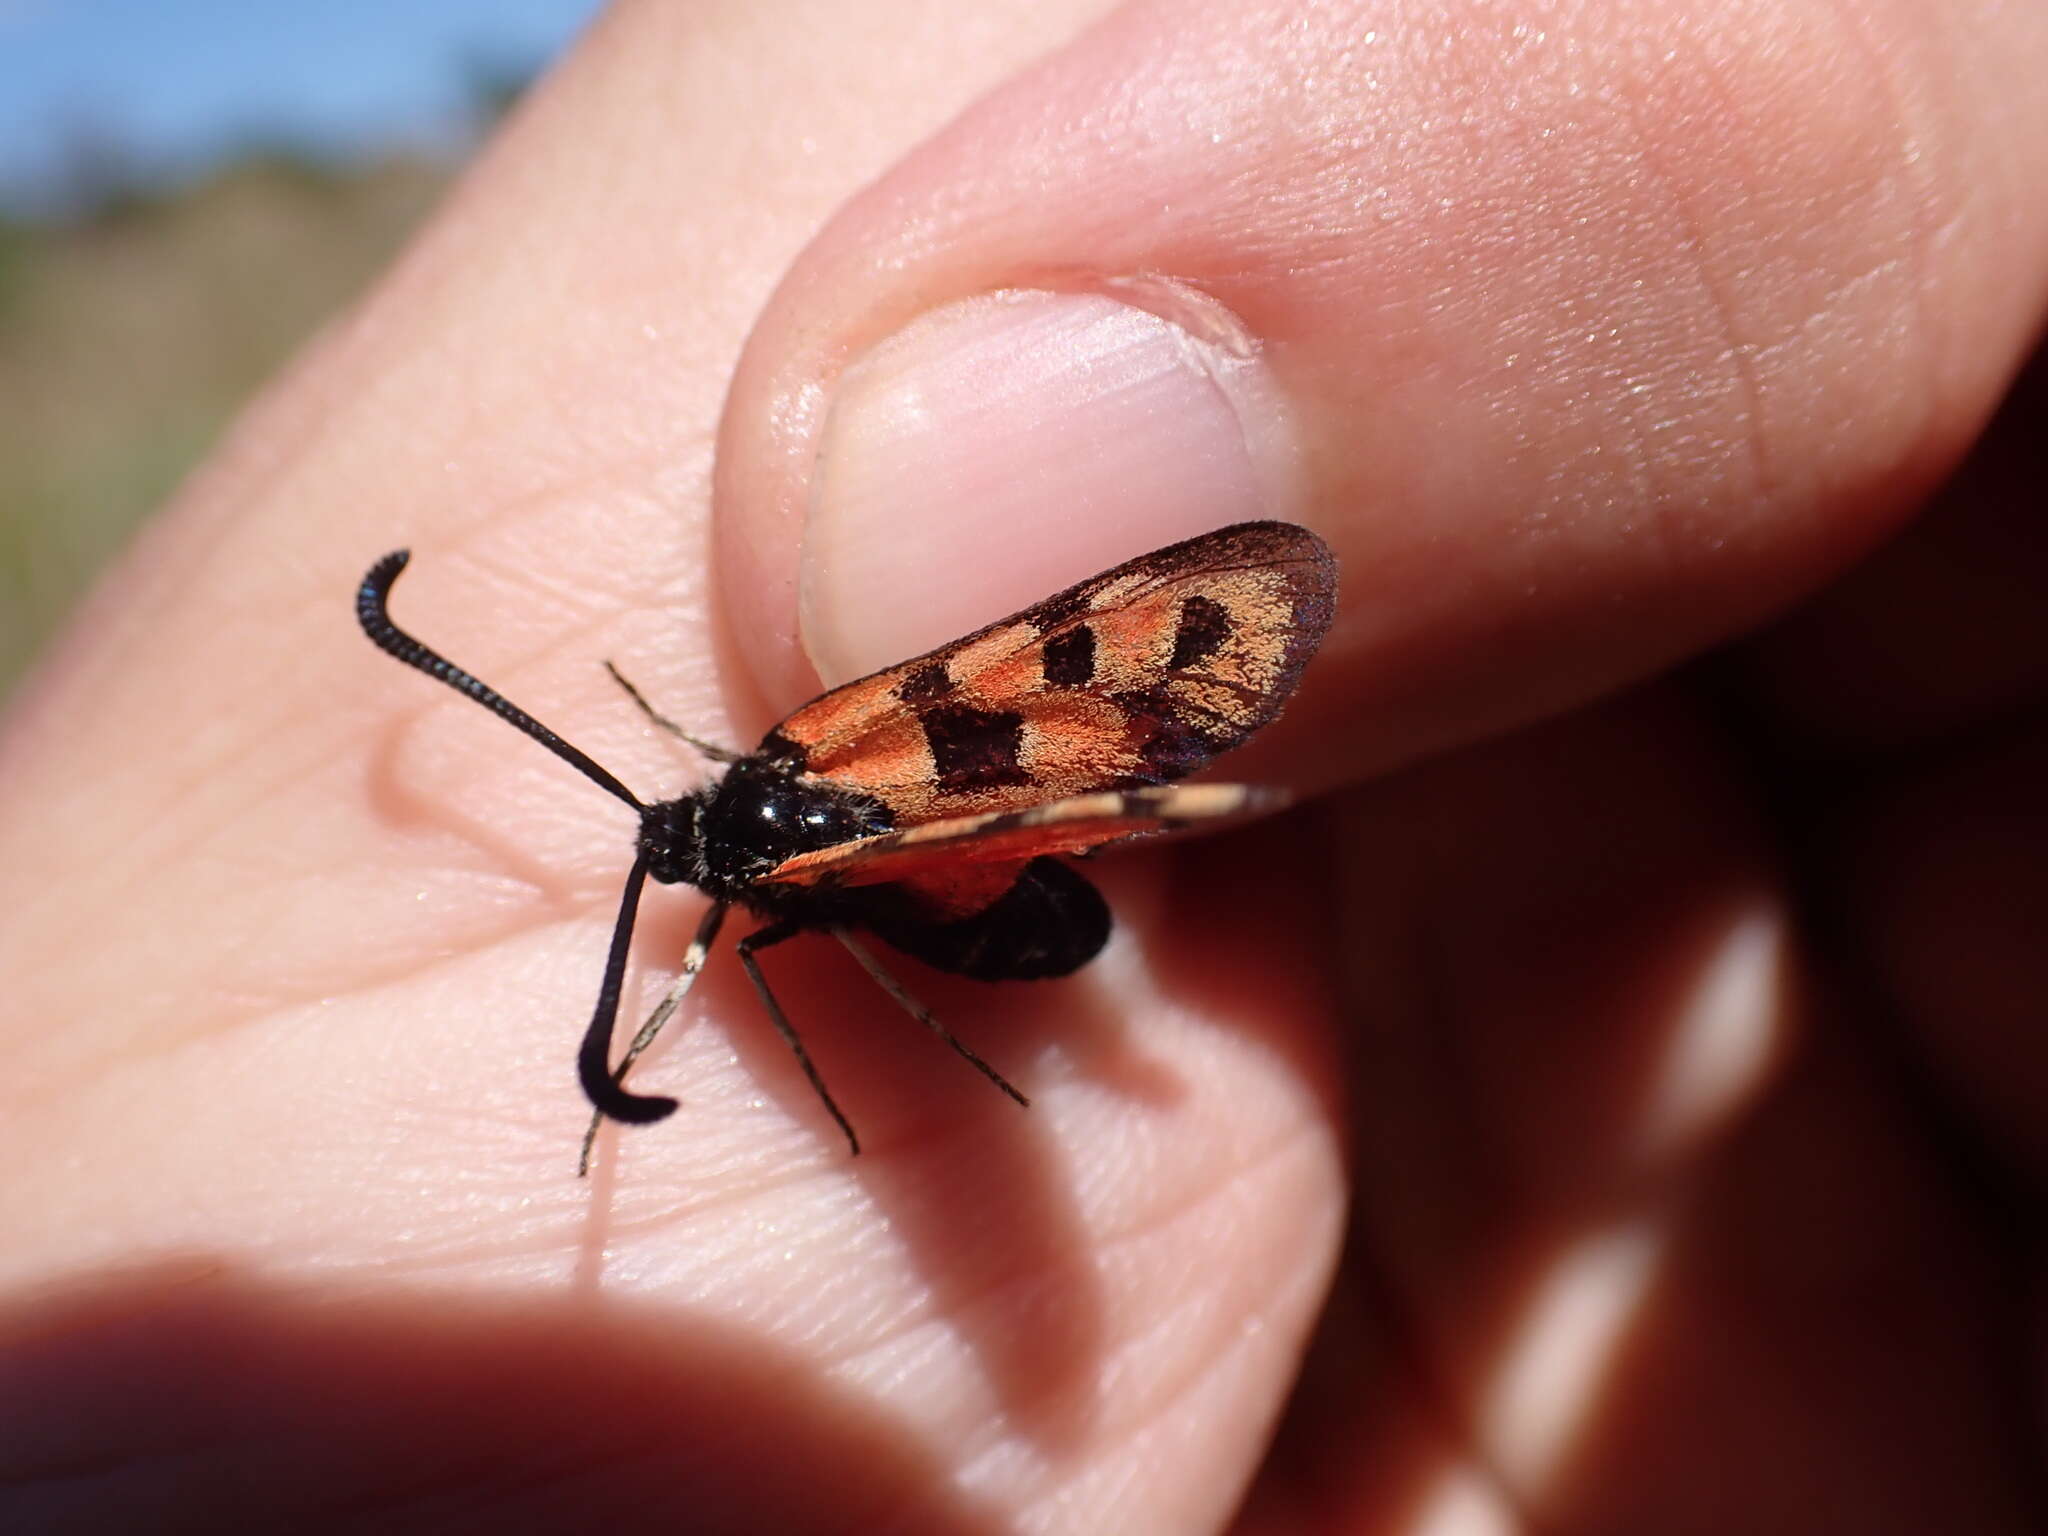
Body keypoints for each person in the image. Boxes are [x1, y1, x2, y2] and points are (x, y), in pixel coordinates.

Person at [1, 1, 2042, 1529]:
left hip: (1022, 885)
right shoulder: (784, 789)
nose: (693, 895)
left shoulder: (800, 774)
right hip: (1013, 921)